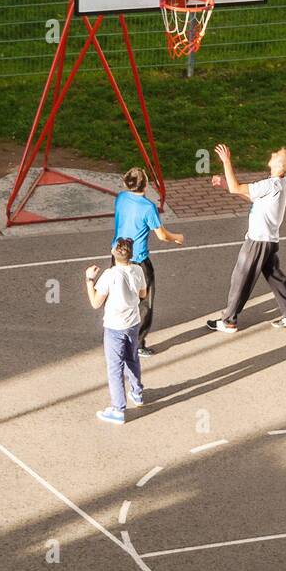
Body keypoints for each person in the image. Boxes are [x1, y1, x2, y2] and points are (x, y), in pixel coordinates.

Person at [206, 144, 286, 333]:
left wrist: (226, 162)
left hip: (257, 242)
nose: (272, 153)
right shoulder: (280, 183)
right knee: (275, 277)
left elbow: (236, 188)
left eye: (277, 154)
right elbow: (253, 198)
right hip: (269, 241)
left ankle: (228, 321)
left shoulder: (270, 184)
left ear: (280, 166)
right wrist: (226, 185)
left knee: (240, 279)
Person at [110, 166, 184, 358]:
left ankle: (116, 335)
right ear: (146, 185)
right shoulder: (148, 207)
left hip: (117, 256)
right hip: (138, 261)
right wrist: (177, 237)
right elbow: (162, 235)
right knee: (144, 303)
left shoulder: (121, 198)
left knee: (119, 296)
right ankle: (137, 344)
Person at [85, 238, 147, 425]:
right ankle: (137, 393)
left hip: (114, 326)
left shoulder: (109, 275)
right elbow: (143, 294)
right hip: (133, 323)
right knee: (132, 358)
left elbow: (95, 303)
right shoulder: (138, 270)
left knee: (115, 367)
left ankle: (118, 409)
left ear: (114, 253)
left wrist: (89, 280)